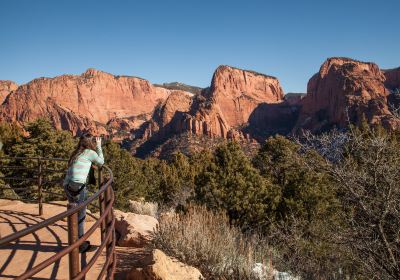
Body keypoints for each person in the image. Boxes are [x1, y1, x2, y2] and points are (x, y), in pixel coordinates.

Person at [63, 133, 104, 253]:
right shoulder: (89, 153)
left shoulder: (76, 153)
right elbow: (101, 162)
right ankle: (80, 245)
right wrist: (99, 146)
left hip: (67, 186)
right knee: (81, 216)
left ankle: (74, 242)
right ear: (90, 143)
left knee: (74, 214)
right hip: (78, 187)